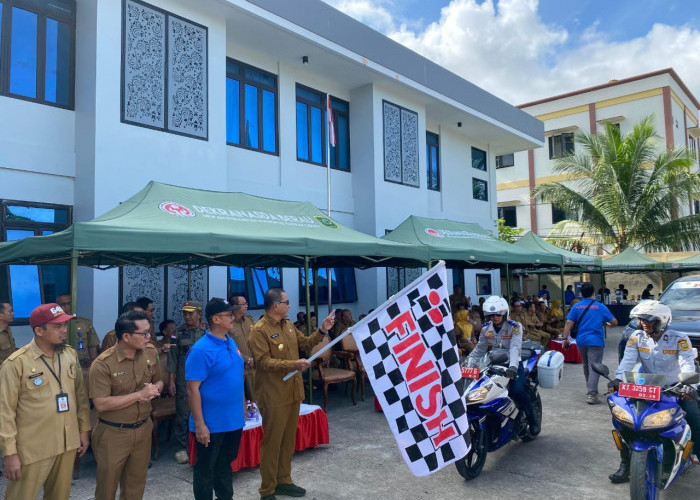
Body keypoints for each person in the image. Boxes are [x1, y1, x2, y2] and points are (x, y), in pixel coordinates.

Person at [249, 288, 335, 500]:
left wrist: (322, 331)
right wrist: (293, 364)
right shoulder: (259, 330)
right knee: (272, 442)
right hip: (273, 394)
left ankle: (284, 480)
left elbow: (305, 343)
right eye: (286, 302)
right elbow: (263, 362)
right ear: (275, 305)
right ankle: (267, 489)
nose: (289, 306)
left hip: (292, 391)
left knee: (288, 440)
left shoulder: (287, 325)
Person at [0, 303, 90, 500]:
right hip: (33, 448)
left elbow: (80, 396)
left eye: (65, 325)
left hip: (67, 442)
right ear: (39, 330)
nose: (64, 331)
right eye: (57, 327)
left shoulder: (69, 354)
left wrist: (83, 430)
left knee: (60, 496)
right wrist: (10, 454)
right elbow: (5, 412)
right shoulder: (16, 364)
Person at [607, 300, 700, 483]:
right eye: (641, 319)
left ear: (662, 320)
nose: (644, 322)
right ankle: (626, 463)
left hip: (675, 388)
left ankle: (695, 454)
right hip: (646, 388)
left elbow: (687, 363)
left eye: (649, 319)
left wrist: (689, 385)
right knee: (624, 421)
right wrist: (618, 379)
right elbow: (628, 361)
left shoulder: (679, 339)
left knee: (694, 418)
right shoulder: (636, 337)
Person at [89, 310, 163, 500]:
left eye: (149, 332)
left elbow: (159, 381)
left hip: (143, 428)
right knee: (107, 487)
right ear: (126, 337)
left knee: (135, 486)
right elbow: (101, 404)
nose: (149, 337)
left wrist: (154, 389)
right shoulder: (103, 363)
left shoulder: (150, 351)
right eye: (144, 333)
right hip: (114, 434)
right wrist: (140, 395)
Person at [186, 298, 245, 500]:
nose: (233, 317)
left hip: (232, 420)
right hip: (211, 423)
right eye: (229, 314)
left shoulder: (231, 341)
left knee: (225, 464)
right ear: (216, 319)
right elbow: (192, 390)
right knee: (205, 470)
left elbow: (237, 375)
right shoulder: (200, 350)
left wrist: (243, 405)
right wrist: (200, 424)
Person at [468, 296, 539, 435]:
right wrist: (466, 363)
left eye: (498, 314)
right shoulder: (485, 329)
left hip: (512, 364)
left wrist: (512, 367)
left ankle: (532, 418)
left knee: (517, 390)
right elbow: (479, 350)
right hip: (493, 363)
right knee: (483, 390)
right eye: (491, 315)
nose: (495, 317)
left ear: (504, 313)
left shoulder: (515, 327)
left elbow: (515, 348)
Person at [562, 282, 617, 404]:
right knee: (595, 367)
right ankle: (592, 394)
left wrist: (564, 338)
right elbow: (614, 322)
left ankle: (590, 389)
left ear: (581, 294)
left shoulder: (576, 307)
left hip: (581, 341)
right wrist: (609, 324)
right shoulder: (600, 307)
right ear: (594, 293)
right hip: (596, 341)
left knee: (586, 365)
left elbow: (568, 323)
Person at [168, 300, 206, 464]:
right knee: (183, 413)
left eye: (190, 313)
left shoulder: (207, 331)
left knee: (203, 411)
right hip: (185, 379)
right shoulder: (178, 332)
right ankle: (181, 447)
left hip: (204, 378)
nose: (187, 316)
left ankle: (200, 443)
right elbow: (173, 357)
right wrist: (171, 380)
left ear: (199, 313)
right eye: (185, 313)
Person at [56, 293, 100, 368]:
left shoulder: (85, 323)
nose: (67, 307)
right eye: (63, 305)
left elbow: (92, 345)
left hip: (84, 364)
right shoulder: (54, 325)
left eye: (69, 303)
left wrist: (94, 364)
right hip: (62, 365)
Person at [229, 294, 256, 401]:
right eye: (243, 304)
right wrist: (247, 360)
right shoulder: (229, 323)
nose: (246, 306)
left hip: (252, 368)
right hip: (238, 368)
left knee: (254, 401)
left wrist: (254, 359)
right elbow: (229, 347)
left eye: (246, 303)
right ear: (235, 306)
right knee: (239, 400)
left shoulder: (250, 321)